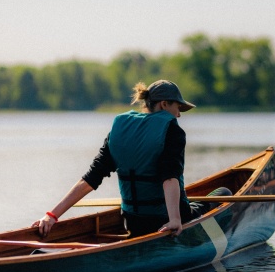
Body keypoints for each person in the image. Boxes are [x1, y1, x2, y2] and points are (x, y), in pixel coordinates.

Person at [32, 80, 229, 239]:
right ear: (164, 104)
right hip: (164, 221)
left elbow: (91, 178)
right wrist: (175, 220)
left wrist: (52, 216)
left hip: (132, 220)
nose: (178, 114)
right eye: (178, 107)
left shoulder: (121, 128)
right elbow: (170, 178)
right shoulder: (172, 130)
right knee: (224, 192)